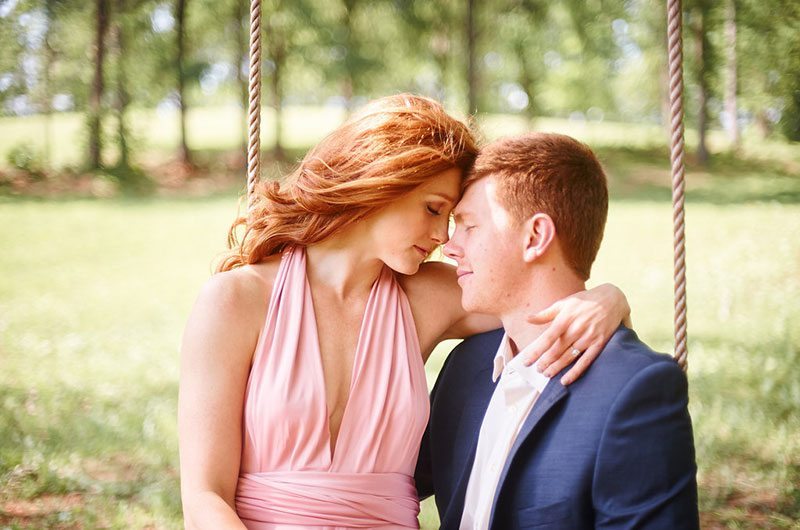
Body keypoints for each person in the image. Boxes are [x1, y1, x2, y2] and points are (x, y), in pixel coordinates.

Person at [178, 95, 631, 530]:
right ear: (382, 181)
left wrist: (609, 298)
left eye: (452, 219)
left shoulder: (429, 298)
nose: (442, 237)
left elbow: (541, 294)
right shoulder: (236, 301)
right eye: (433, 209)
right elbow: (204, 498)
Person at [415, 132, 699, 529]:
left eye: (469, 226)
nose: (449, 246)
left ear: (535, 237)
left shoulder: (635, 391)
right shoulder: (467, 365)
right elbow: (389, 482)